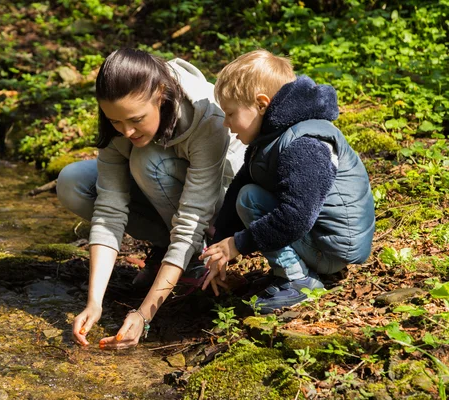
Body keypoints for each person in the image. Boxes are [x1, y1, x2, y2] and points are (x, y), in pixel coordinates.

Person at [56, 48, 245, 349]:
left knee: (147, 161)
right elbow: (109, 208)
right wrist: (94, 303)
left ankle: (194, 261)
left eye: (136, 119)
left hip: (221, 210)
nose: (126, 130)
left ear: (160, 94)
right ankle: (164, 252)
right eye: (116, 122)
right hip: (166, 191)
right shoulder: (119, 112)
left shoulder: (205, 113)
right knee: (72, 182)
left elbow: (192, 220)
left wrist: (144, 314)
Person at [199, 49, 375, 314]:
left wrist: (236, 245)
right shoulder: (273, 136)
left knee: (250, 198)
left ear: (261, 104)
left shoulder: (305, 143)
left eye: (231, 113)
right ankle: (292, 271)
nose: (226, 123)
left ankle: (299, 281)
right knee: (245, 192)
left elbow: (297, 216)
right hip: (317, 238)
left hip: (332, 249)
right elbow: (238, 185)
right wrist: (220, 246)